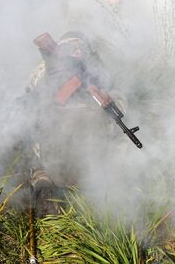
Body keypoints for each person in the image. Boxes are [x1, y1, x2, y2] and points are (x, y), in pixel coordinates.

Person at [20, 31, 129, 216]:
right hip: (92, 162)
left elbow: (26, 109)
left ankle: (41, 176)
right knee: (120, 139)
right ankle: (110, 185)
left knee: (30, 139)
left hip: (53, 158)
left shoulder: (40, 72)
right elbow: (119, 107)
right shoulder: (94, 67)